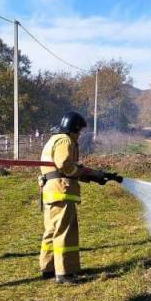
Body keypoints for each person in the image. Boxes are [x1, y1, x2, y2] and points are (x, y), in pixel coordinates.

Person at [39, 112, 122, 284]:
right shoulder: (65, 141)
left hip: (51, 191)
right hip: (62, 192)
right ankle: (64, 273)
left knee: (51, 231)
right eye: (79, 131)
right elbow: (65, 166)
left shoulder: (53, 139)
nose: (80, 135)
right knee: (65, 232)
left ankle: (48, 267)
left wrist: (94, 176)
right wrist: (81, 173)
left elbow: (63, 169)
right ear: (74, 129)